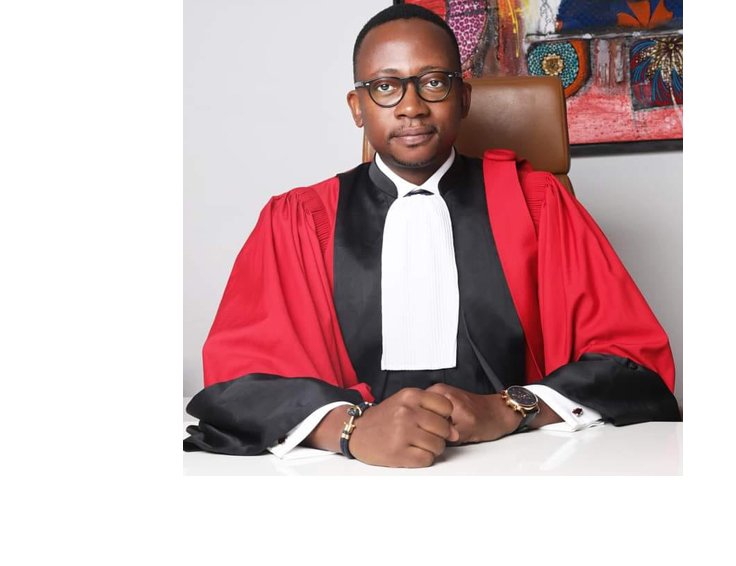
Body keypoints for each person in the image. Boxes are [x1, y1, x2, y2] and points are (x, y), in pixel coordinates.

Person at [183, 4, 681, 468]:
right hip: (351, 477)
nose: (412, 107)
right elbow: (238, 381)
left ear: (464, 97)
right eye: (385, 86)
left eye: (434, 82)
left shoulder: (538, 204)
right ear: (357, 107)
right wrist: (350, 429)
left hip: (520, 463)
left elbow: (632, 361)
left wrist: (511, 408)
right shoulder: (298, 220)